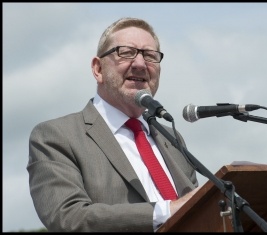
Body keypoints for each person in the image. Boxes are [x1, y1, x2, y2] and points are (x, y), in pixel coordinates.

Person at [27, 17, 199, 232]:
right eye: (125, 53)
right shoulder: (56, 136)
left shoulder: (171, 140)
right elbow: (68, 217)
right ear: (98, 69)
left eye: (150, 56)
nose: (140, 64)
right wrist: (167, 210)